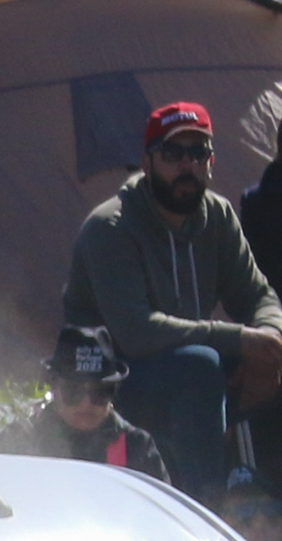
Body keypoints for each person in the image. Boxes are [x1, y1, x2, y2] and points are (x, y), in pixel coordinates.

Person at [62, 100, 282, 501]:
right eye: (173, 153)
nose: (187, 165)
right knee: (200, 366)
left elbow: (257, 294)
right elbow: (136, 332)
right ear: (147, 162)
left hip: (184, 364)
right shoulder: (111, 227)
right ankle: (207, 503)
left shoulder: (217, 216)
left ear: (211, 162)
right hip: (105, 380)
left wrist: (269, 335)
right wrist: (243, 341)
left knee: (256, 357)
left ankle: (263, 507)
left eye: (198, 153)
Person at [5, 328, 166, 480]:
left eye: (100, 391)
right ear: (54, 388)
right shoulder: (19, 439)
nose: (86, 403)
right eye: (73, 390)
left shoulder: (137, 447)